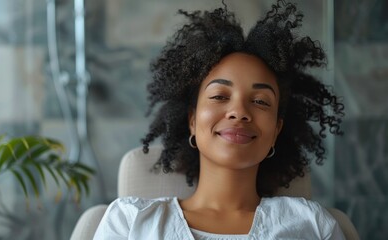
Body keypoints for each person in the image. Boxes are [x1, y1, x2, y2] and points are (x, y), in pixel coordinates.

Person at [94, 0, 346, 239]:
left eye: (260, 101)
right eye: (219, 96)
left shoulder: (313, 225)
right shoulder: (129, 222)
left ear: (277, 130)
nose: (239, 111)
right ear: (192, 119)